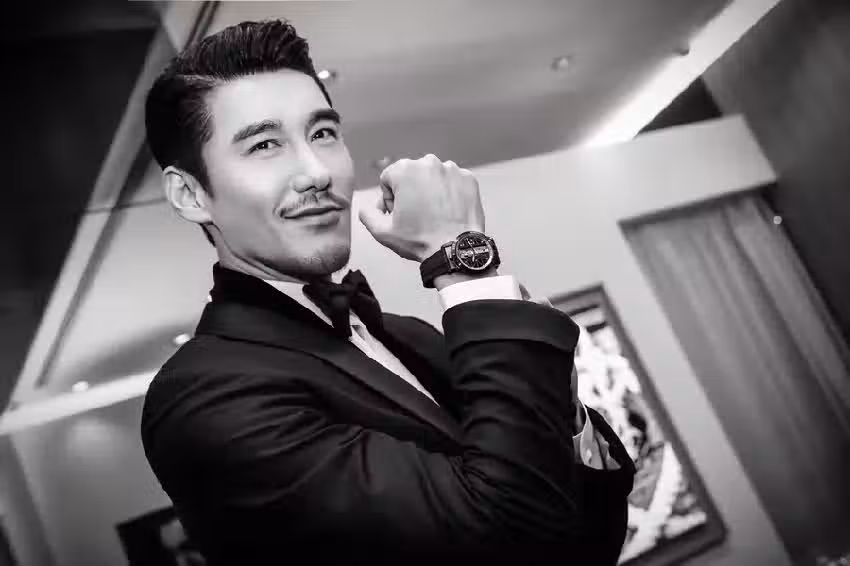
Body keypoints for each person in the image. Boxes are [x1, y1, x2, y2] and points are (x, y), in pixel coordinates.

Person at [141, 19, 635, 565]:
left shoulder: (414, 337)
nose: (316, 171)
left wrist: (561, 412)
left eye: (322, 134)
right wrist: (461, 261)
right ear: (190, 195)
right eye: (264, 145)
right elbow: (508, 538)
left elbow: (585, 547)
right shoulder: (201, 398)